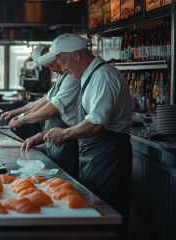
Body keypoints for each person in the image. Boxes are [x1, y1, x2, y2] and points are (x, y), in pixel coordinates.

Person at [42, 33, 133, 230]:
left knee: (104, 214)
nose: (63, 69)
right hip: (93, 155)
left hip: (108, 157)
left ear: (76, 55)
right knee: (92, 211)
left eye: (63, 62)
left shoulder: (103, 76)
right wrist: (43, 137)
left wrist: (64, 134)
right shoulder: (87, 76)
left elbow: (95, 123)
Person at [8, 46, 81, 179]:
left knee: (63, 180)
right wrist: (21, 114)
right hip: (54, 135)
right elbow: (45, 101)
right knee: (54, 178)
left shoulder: (72, 77)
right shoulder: (62, 77)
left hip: (67, 137)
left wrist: (23, 119)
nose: (52, 69)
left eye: (52, 65)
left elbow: (52, 109)